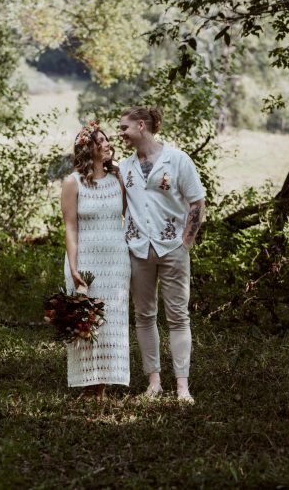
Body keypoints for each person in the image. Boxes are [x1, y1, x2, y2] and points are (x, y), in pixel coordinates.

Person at [118, 107, 205, 402]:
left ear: (141, 126)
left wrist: (185, 243)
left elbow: (197, 202)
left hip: (173, 249)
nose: (121, 134)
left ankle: (183, 387)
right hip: (138, 249)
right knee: (144, 316)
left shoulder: (177, 159)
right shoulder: (125, 167)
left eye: (124, 127)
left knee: (178, 317)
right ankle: (154, 382)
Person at [61, 121, 131, 398]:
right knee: (85, 319)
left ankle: (102, 385)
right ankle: (88, 385)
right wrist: (74, 266)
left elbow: (127, 216)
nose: (107, 144)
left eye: (106, 139)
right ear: (88, 149)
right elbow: (70, 227)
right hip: (85, 260)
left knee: (111, 321)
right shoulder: (72, 182)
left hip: (115, 261)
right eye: (100, 141)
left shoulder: (118, 180)